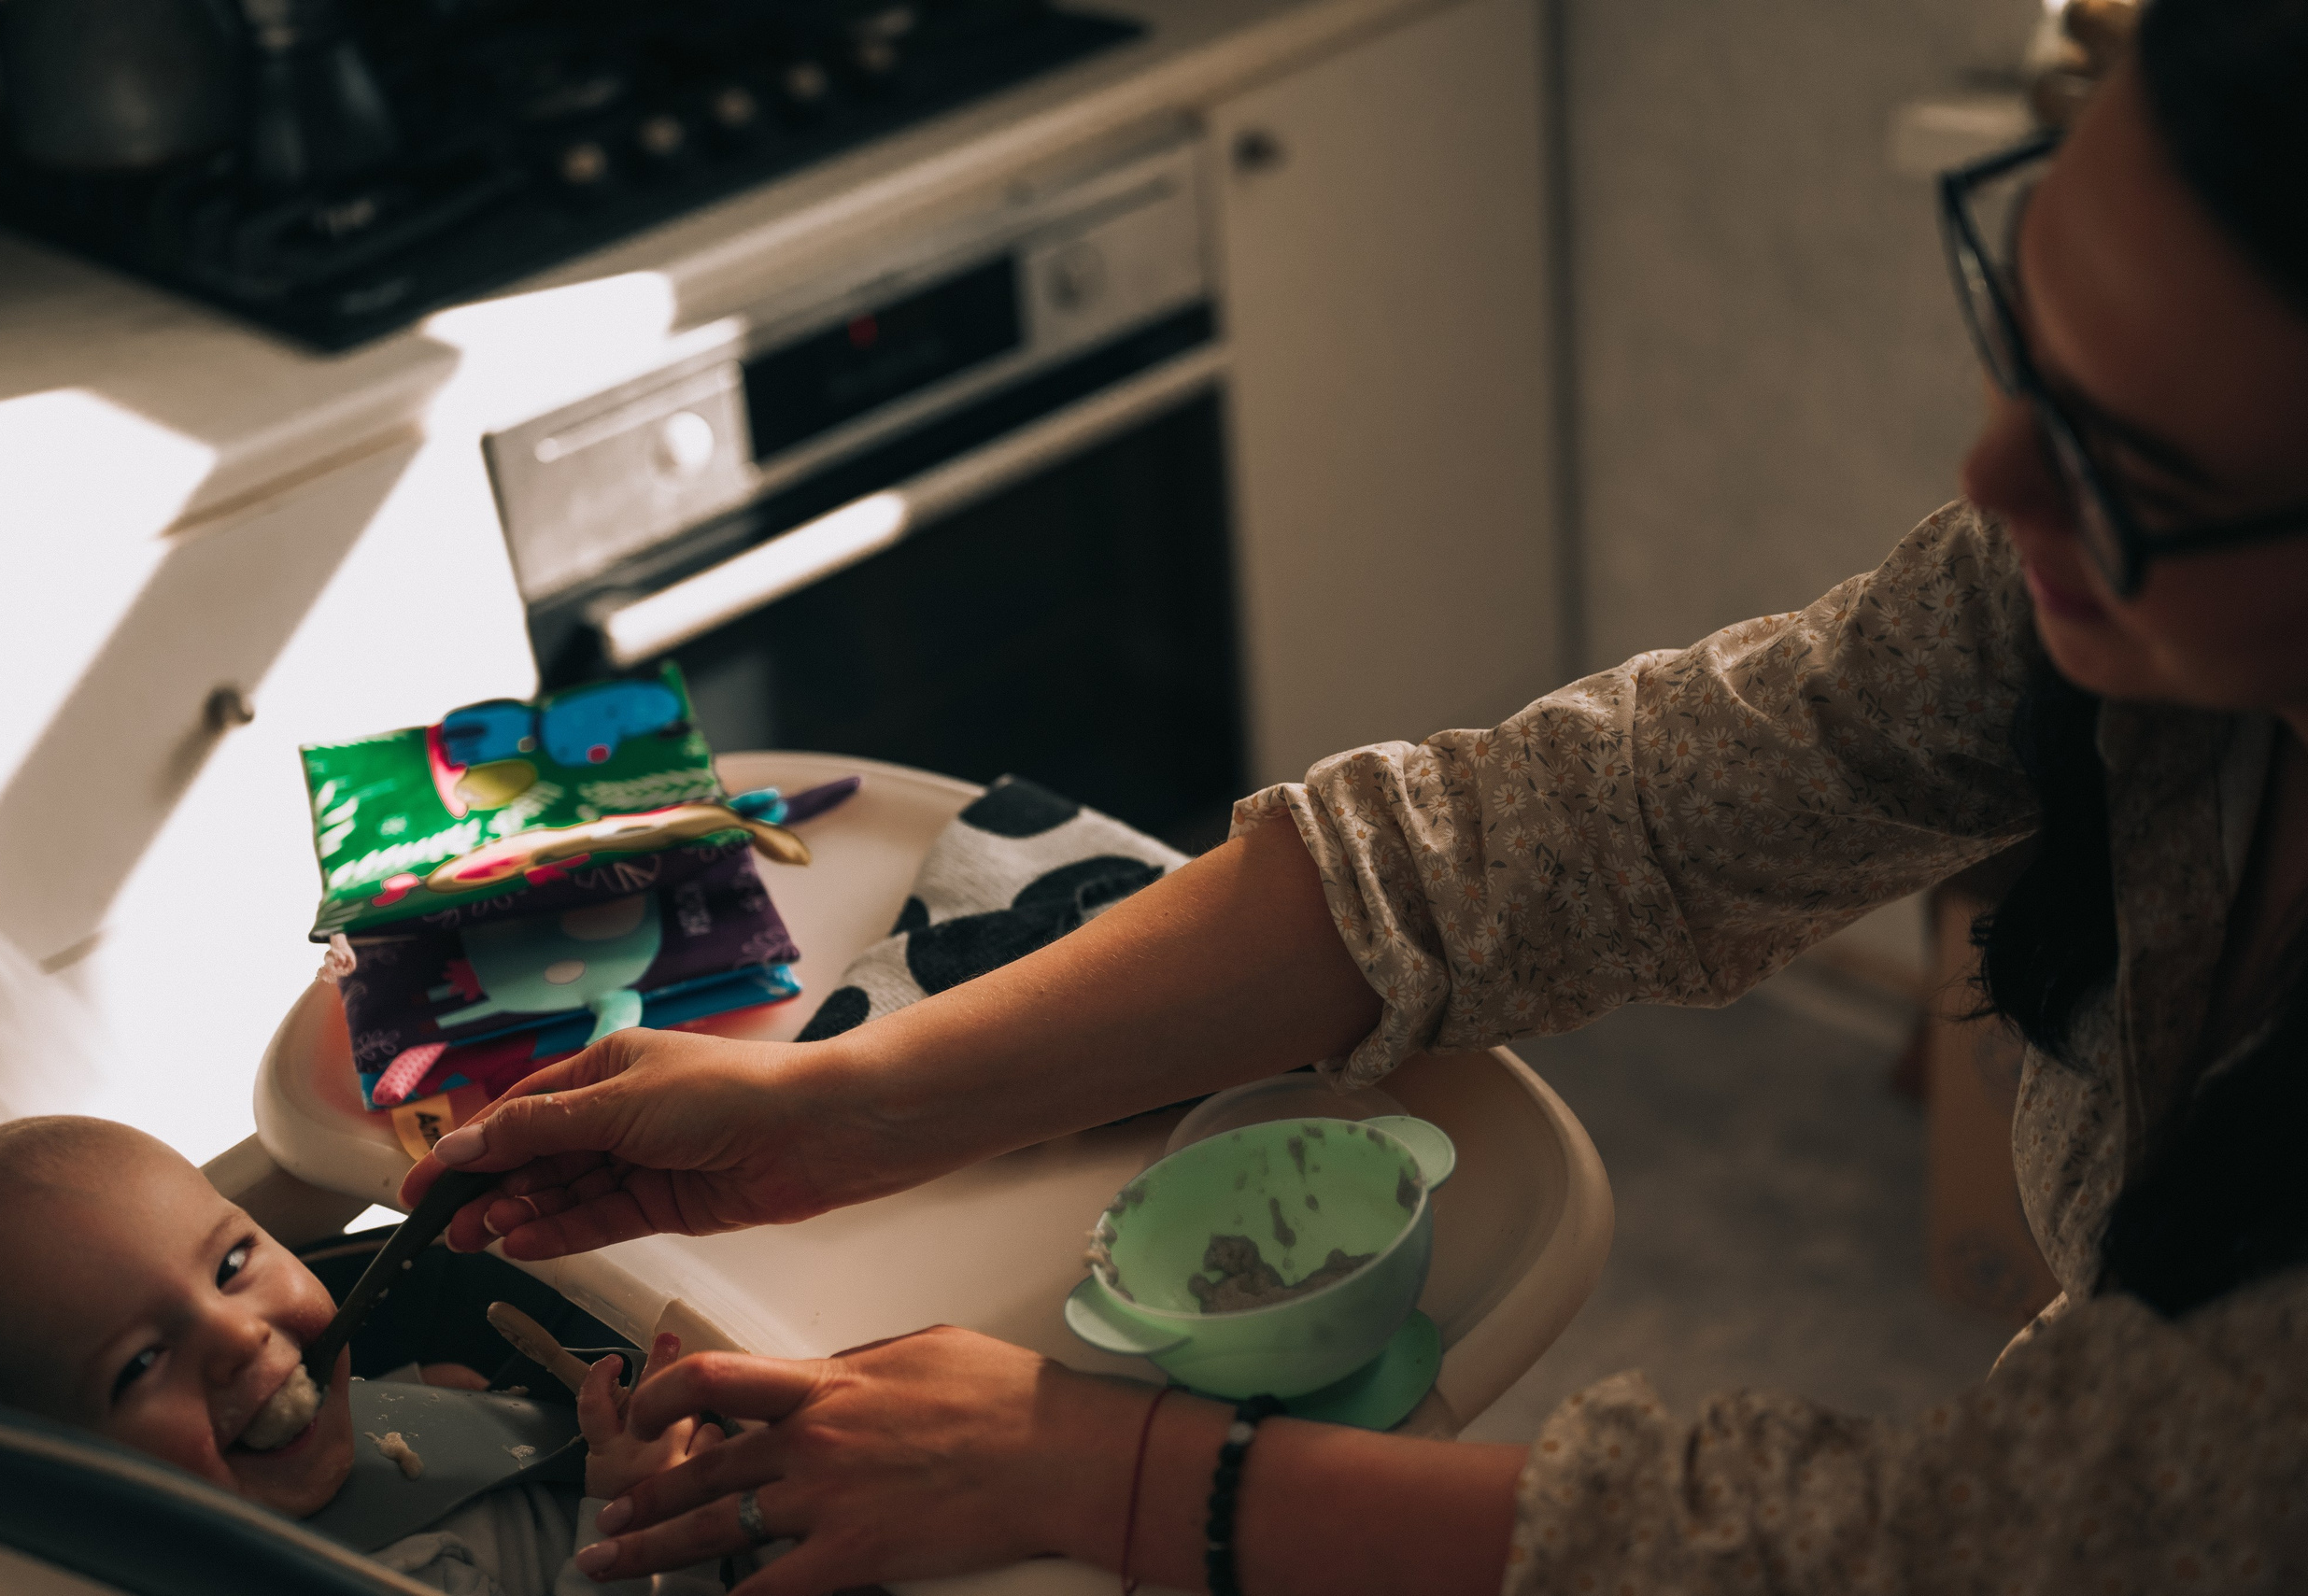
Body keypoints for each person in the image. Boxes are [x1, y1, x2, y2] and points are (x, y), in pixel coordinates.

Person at [402, 3, 2308, 1590]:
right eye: (2019, 329)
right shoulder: (2078, 593)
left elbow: (1918, 1557)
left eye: (2119, 464)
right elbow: (1579, 825)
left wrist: (1110, 1469)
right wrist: (841, 1102)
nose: (1991, 482)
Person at [0, 1117, 709, 1596]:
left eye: (231, 1266)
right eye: (138, 1364)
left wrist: (424, 1395)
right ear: (78, 1481)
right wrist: (636, 1500)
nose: (238, 1334)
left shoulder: (271, 1445)